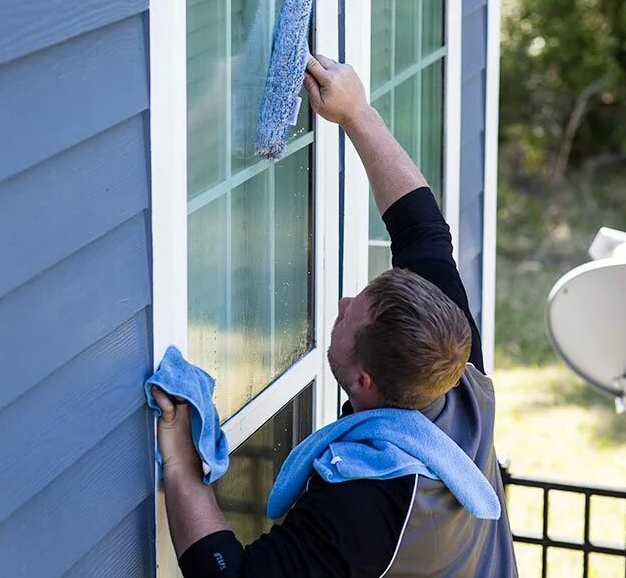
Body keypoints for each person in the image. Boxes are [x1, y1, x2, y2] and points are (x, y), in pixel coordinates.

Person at [151, 54, 516, 577]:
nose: (342, 305)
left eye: (350, 319)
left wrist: (184, 465)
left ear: (364, 378)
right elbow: (421, 231)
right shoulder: (450, 359)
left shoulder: (367, 504)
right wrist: (357, 114)